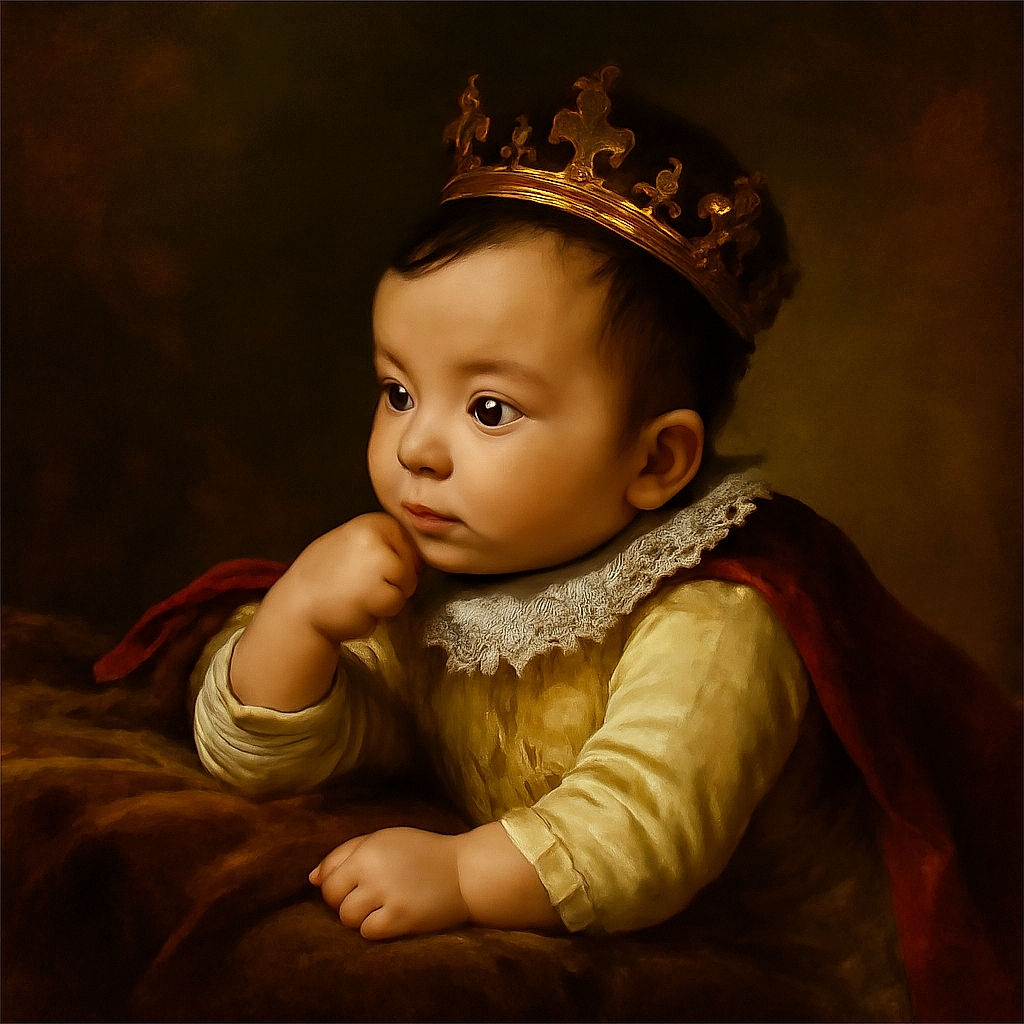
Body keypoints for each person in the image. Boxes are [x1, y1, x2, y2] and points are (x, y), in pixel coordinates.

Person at [99, 67, 1019, 1022]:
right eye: (399, 392)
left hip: (783, 971)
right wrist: (297, 622)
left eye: (489, 410)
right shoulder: (444, 566)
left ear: (656, 461)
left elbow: (641, 830)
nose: (416, 448)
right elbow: (277, 760)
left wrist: (461, 876)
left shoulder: (717, 620)